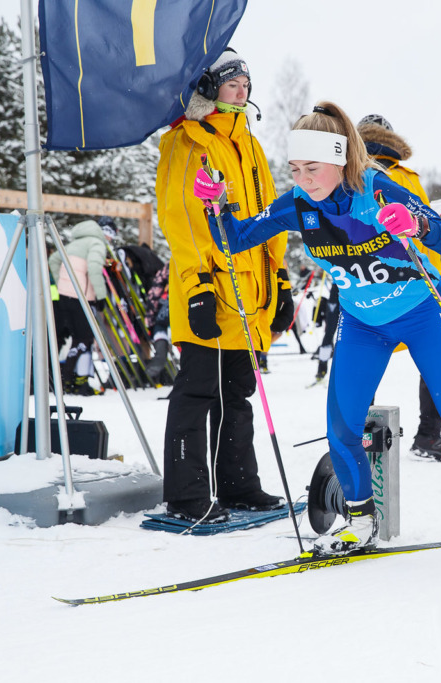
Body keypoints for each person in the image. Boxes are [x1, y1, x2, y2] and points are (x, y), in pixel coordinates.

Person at [194, 101, 441, 554]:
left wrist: (416, 223)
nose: (303, 181)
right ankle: (360, 521)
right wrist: (216, 205)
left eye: (312, 169)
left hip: (422, 312)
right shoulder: (298, 204)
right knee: (341, 427)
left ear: (341, 159)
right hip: (362, 323)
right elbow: (234, 240)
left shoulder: (379, 191)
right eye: (295, 169)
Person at [155, 48, 288, 523]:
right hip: (210, 288)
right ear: (208, 87)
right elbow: (180, 221)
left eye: (246, 83)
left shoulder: (247, 143)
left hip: (249, 292)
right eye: (233, 82)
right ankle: (188, 495)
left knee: (238, 393)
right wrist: (197, 288)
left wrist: (282, 277)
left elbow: (270, 214)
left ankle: (237, 486)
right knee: (197, 392)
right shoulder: (186, 142)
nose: (243, 90)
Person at [357, 113, 441, 461]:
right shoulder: (405, 176)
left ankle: (360, 433)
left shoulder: (349, 175)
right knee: (436, 356)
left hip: (368, 279)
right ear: (391, 139)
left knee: (365, 354)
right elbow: (427, 228)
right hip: (418, 278)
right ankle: (429, 435)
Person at [48, 219, 111, 396]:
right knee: (84, 338)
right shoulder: (96, 243)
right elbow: (94, 268)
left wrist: (62, 284)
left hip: (62, 297)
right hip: (81, 298)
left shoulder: (73, 244)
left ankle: (50, 377)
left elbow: (53, 260)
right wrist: (101, 296)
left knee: (58, 337)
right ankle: (69, 378)